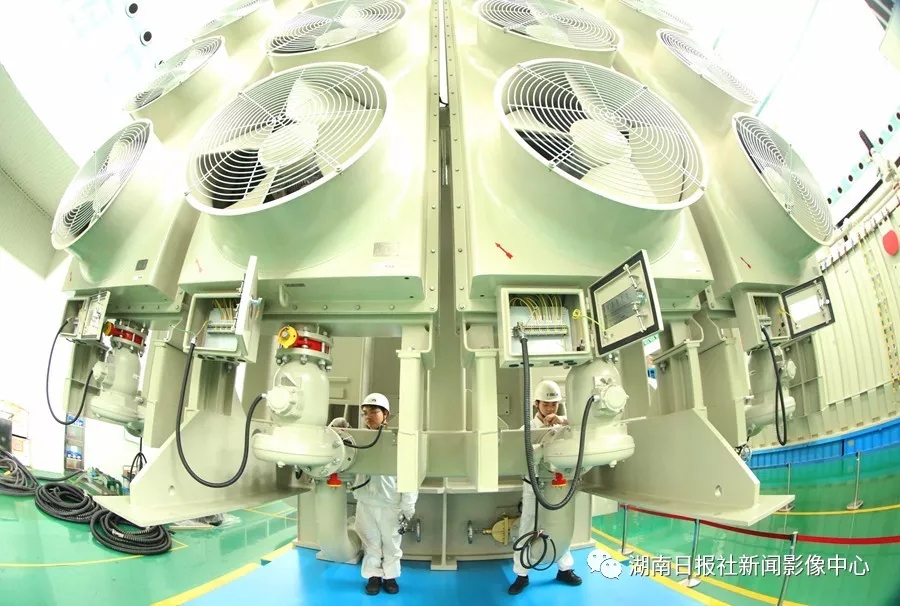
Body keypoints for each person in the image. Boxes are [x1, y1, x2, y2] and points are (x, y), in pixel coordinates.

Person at [509, 379, 583, 595]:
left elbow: (580, 430)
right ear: (537, 404)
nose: (550, 408)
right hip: (534, 486)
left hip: (558, 486)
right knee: (528, 526)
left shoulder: (564, 427)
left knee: (561, 525)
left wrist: (562, 422)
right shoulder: (527, 429)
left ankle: (565, 569)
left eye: (554, 404)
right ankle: (521, 574)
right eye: (546, 404)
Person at [352, 392, 418, 596]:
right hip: (366, 502)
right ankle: (373, 576)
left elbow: (410, 476)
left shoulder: (397, 441)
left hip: (390, 503)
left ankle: (390, 577)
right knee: (370, 542)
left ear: (385, 414)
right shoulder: (357, 441)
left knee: (391, 543)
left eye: (374, 412)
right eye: (365, 413)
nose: (368, 416)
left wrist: (408, 506)